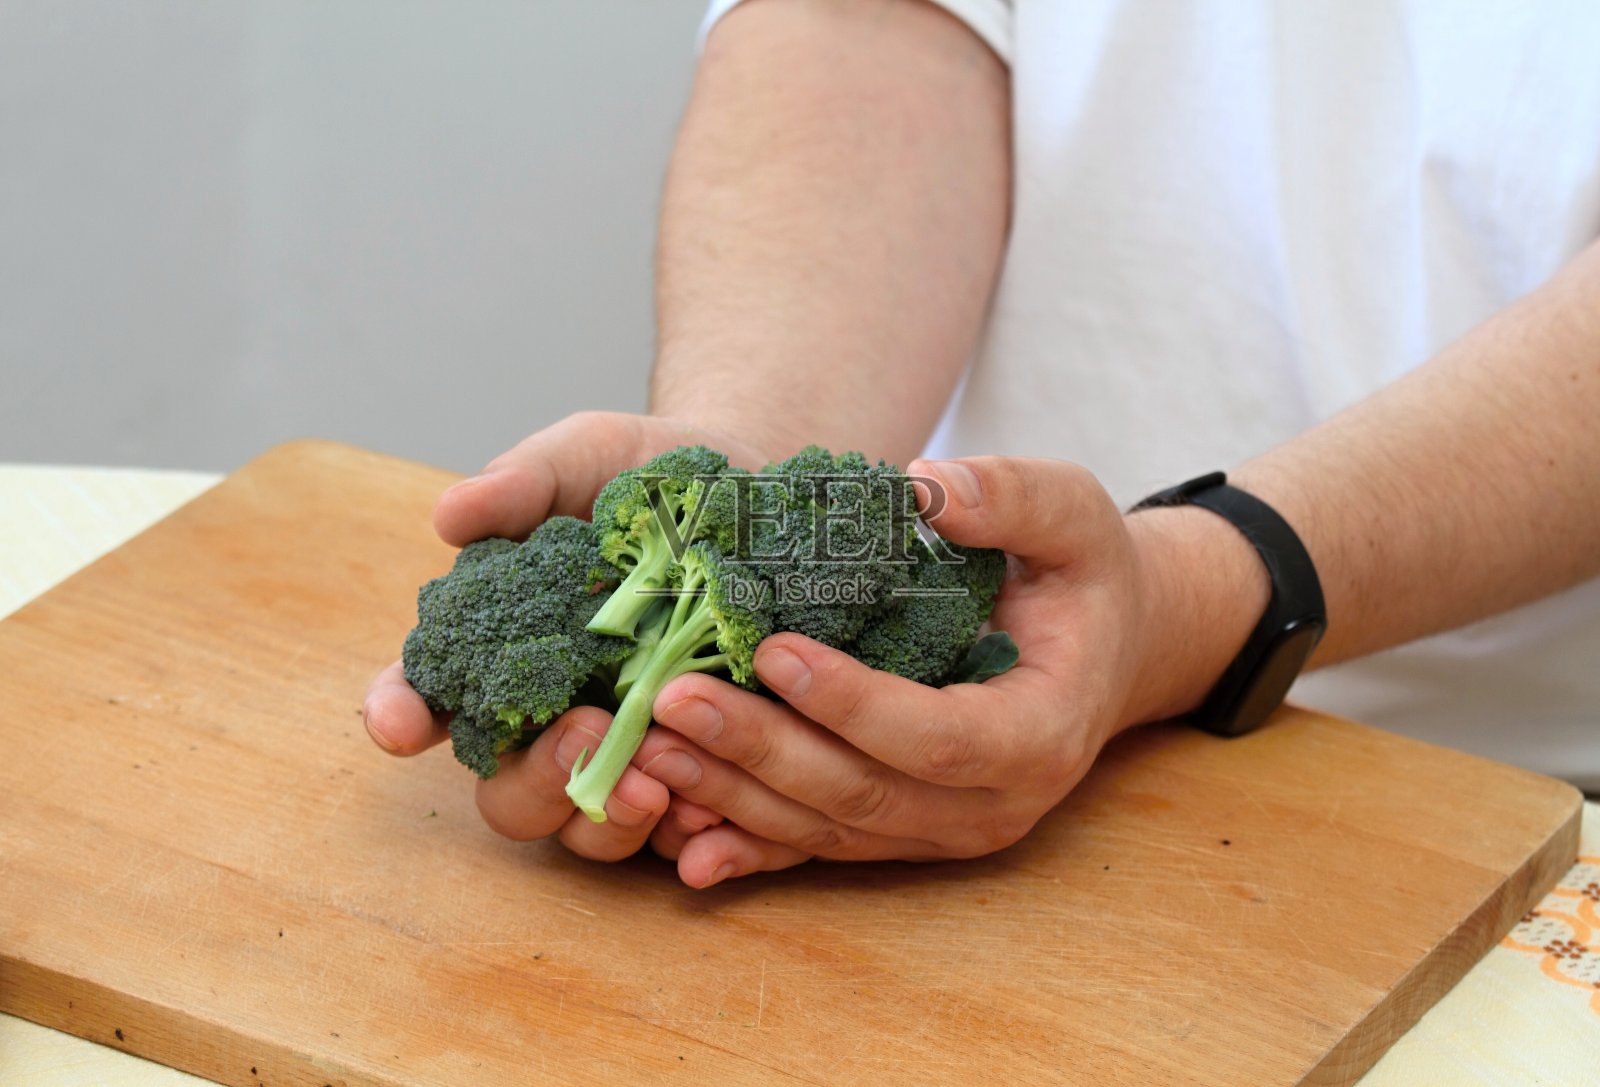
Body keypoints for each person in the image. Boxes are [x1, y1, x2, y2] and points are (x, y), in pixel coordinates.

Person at [364, 0, 1600, 888]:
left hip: (1526, 803)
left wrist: (1197, 592)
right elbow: (868, 24)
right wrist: (748, 447)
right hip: (968, 650)